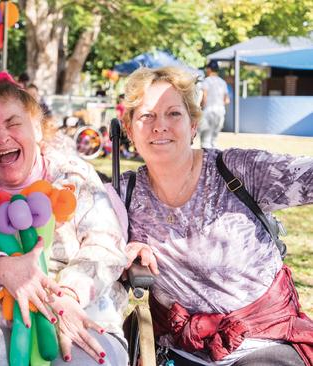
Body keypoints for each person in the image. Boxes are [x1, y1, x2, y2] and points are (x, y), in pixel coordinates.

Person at [120, 66, 313, 366]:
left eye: (173, 113)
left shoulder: (237, 170)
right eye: (146, 116)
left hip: (264, 342)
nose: (160, 126)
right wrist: (118, 249)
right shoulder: (125, 193)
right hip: (178, 350)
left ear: (194, 124)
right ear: (129, 129)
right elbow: (76, 230)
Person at [0, 81, 129, 365]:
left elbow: (106, 244)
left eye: (13, 124)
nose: (1, 137)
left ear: (36, 129)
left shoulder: (74, 175)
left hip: (76, 307)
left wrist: (69, 294)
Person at [198, 60, 230, 148]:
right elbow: (227, 100)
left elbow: (204, 99)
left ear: (209, 69)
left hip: (209, 111)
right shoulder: (222, 82)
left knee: (205, 141)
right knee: (214, 140)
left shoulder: (206, 81)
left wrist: (200, 108)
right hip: (220, 111)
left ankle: (205, 160)